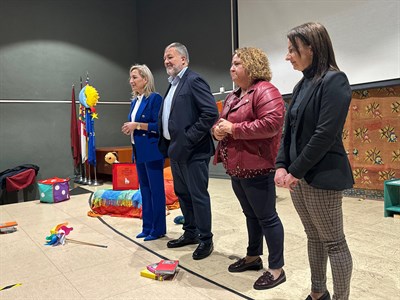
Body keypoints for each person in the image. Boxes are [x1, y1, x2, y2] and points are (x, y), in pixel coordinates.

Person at [275, 22, 354, 300]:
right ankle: (318, 293)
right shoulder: (301, 85)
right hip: (299, 177)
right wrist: (281, 165)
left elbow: (324, 134)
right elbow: (289, 131)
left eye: (292, 50)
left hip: (321, 176)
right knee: (314, 237)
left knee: (334, 242)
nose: (288, 56)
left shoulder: (335, 80)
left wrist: (295, 170)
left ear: (312, 47)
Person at [212, 47, 286, 290]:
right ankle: (253, 257)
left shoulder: (266, 90)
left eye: (237, 63)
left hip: (258, 166)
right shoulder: (235, 95)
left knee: (267, 218)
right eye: (232, 63)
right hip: (237, 167)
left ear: (252, 66)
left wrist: (234, 129)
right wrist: (217, 130)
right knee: (251, 215)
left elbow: (272, 124)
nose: (232, 68)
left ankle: (276, 269)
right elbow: (222, 122)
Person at [158, 42, 219, 260]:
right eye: (165, 57)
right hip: (176, 152)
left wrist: (189, 138)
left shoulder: (194, 80)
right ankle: (190, 233)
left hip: (194, 152)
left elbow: (210, 113)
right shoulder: (173, 84)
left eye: (171, 57)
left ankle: (205, 239)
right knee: (183, 195)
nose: (166, 61)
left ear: (184, 59)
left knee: (198, 196)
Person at [121, 64, 166, 241]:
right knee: (144, 191)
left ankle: (158, 229)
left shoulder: (155, 99)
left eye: (135, 77)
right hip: (138, 152)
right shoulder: (135, 101)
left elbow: (158, 126)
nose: (131, 81)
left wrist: (137, 125)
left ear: (145, 79)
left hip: (152, 151)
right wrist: (129, 128)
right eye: (130, 78)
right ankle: (147, 227)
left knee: (156, 191)